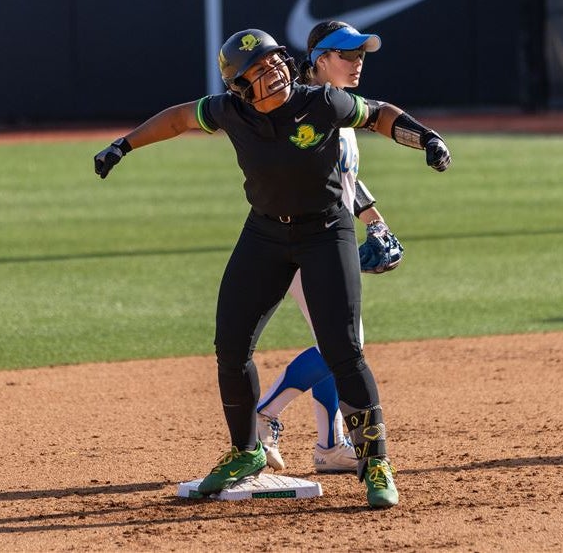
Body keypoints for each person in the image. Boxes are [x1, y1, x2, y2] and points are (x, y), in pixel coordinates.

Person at [93, 27, 451, 508]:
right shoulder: (228, 111)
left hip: (326, 232)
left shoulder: (321, 103)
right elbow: (178, 119)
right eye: (260, 69)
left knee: (344, 351)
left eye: (277, 61)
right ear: (240, 86)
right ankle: (247, 451)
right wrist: (124, 145)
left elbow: (377, 114)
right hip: (264, 233)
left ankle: (376, 462)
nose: (276, 71)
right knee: (230, 345)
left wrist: (425, 139)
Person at [254, 21, 404, 477]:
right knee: (346, 346)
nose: (357, 62)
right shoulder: (301, 108)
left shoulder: (339, 108)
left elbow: (343, 178)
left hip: (329, 238)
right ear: (320, 59)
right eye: (347, 54)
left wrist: (375, 220)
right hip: (301, 240)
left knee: (337, 343)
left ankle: (330, 445)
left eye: (361, 54)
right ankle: (263, 416)